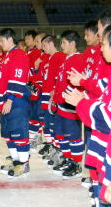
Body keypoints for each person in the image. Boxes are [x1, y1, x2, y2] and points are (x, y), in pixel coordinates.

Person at [63, 25, 111, 207]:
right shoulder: (93, 55)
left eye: (104, 42)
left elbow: (107, 117)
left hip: (101, 126)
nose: (101, 44)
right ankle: (97, 190)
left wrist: (81, 102)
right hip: (96, 117)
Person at [0, 28, 30, 178]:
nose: (0, 44)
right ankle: (16, 161)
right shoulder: (7, 56)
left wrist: (10, 99)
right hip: (6, 101)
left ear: (10, 39)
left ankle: (24, 164)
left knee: (18, 132)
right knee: (8, 133)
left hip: (16, 101)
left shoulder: (19, 55)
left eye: (2, 41)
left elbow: (18, 79)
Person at [51, 30, 85, 179]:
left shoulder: (78, 59)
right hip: (60, 104)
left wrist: (67, 96)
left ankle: (76, 164)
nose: (61, 45)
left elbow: (76, 83)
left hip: (70, 105)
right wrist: (55, 93)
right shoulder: (66, 58)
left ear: (73, 43)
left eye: (64, 42)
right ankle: (68, 159)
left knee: (73, 135)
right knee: (60, 134)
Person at [38, 35, 66, 164]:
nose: (43, 49)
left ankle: (59, 152)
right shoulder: (50, 58)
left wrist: (55, 92)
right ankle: (54, 149)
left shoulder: (59, 56)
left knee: (55, 125)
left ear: (50, 43)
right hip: (47, 95)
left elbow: (60, 77)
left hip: (53, 96)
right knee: (48, 124)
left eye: (44, 45)